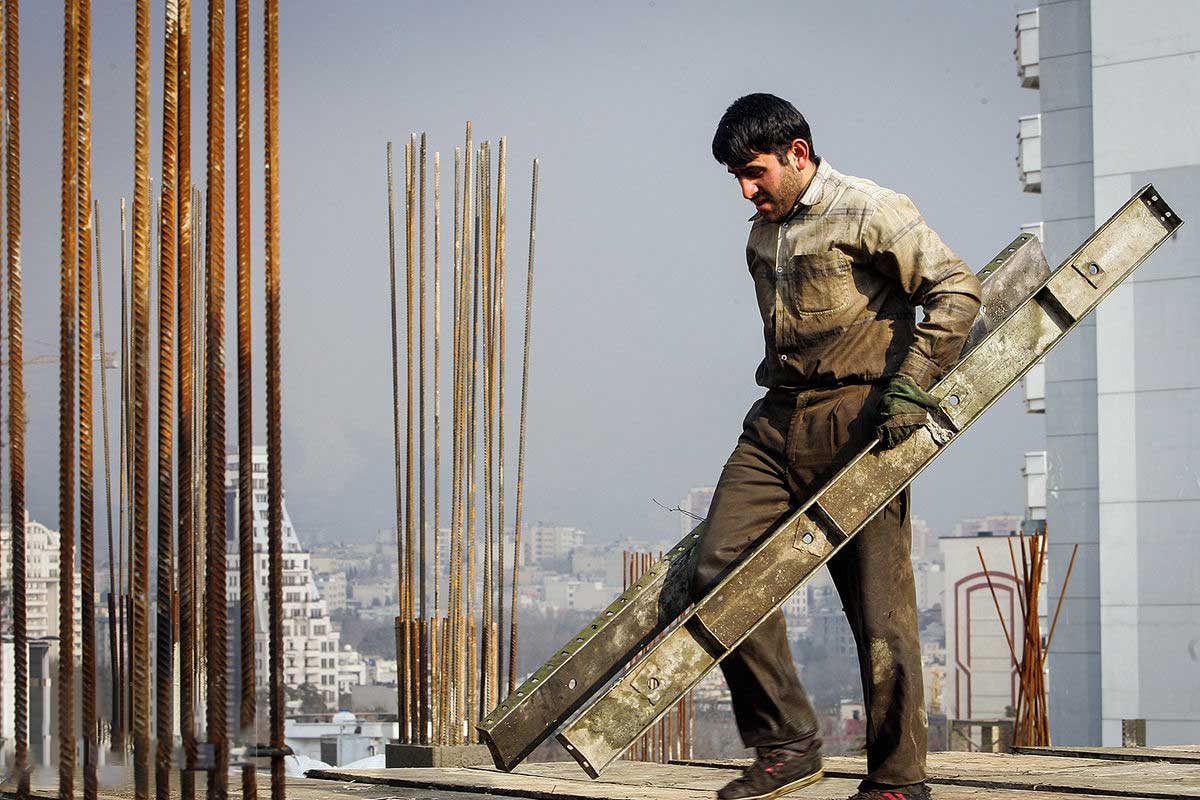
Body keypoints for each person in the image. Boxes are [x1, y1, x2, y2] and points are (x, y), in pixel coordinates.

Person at [694, 93, 982, 800]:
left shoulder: (869, 208)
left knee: (878, 610)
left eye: (755, 172)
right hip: (777, 421)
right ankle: (788, 744)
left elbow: (956, 290)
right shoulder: (761, 234)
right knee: (716, 569)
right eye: (735, 176)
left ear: (798, 153)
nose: (746, 190)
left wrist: (913, 385)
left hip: (861, 420)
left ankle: (897, 779)